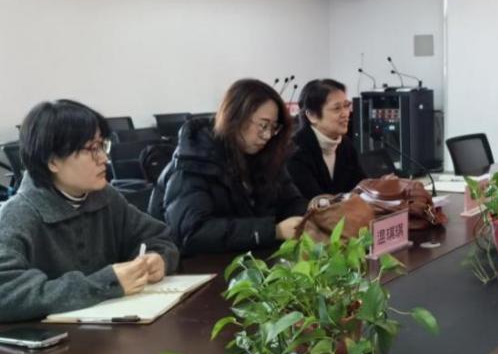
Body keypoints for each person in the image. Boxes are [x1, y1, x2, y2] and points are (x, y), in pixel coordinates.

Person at [0, 100, 178, 322]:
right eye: (92, 149)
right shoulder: (18, 215)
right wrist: (103, 284)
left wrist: (158, 258)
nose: (104, 158)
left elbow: (159, 237)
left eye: (103, 145)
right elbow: (6, 293)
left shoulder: (105, 197)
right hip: (52, 340)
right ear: (53, 161)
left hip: (111, 332)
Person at [149, 79, 307, 255]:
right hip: (199, 265)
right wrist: (272, 231)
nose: (268, 135)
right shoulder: (193, 162)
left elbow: (290, 201)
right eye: (263, 125)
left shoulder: (264, 156)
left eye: (274, 127)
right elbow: (193, 232)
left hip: (250, 258)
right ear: (236, 118)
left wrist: (311, 214)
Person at [287, 79, 366, 199]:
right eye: (337, 108)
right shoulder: (295, 151)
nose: (346, 114)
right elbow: (315, 201)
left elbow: (360, 186)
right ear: (312, 115)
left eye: (346, 106)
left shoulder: (345, 145)